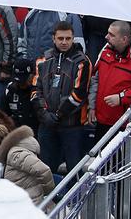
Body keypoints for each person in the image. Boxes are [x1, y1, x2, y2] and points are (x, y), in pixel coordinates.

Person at [30, 20, 93, 175]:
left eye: (68, 38)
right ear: (53, 38)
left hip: (72, 125)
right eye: (60, 38)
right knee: (44, 170)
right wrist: (44, 114)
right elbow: (35, 91)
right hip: (46, 124)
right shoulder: (43, 60)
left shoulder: (82, 61)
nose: (64, 42)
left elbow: (79, 94)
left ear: (73, 39)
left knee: (74, 171)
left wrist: (58, 115)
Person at [89, 21, 131, 139]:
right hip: (101, 121)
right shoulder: (105, 51)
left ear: (124, 39)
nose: (106, 37)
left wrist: (121, 98)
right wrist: (92, 107)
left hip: (125, 125)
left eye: (111, 35)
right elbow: (95, 80)